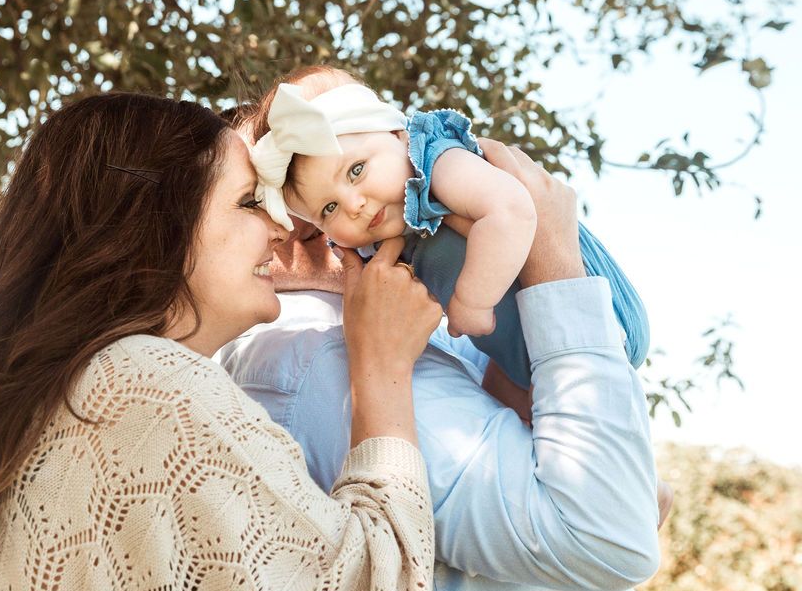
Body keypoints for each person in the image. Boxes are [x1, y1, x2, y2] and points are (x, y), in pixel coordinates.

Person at [0, 92, 444, 591]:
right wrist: (382, 369)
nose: (280, 232)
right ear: (159, 226)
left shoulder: (36, 413)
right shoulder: (146, 388)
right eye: (247, 203)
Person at [219, 134, 666, 591]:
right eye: (275, 193)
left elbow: (616, 491)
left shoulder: (413, 321)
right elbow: (612, 536)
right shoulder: (317, 353)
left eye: (354, 162)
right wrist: (552, 261)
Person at [246, 65, 650, 399]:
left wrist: (472, 301)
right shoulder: (384, 230)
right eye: (329, 208)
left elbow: (511, 211)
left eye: (356, 170)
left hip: (595, 319)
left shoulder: (436, 161)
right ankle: (649, 488)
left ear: (396, 135)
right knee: (516, 422)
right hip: (525, 357)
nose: (354, 205)